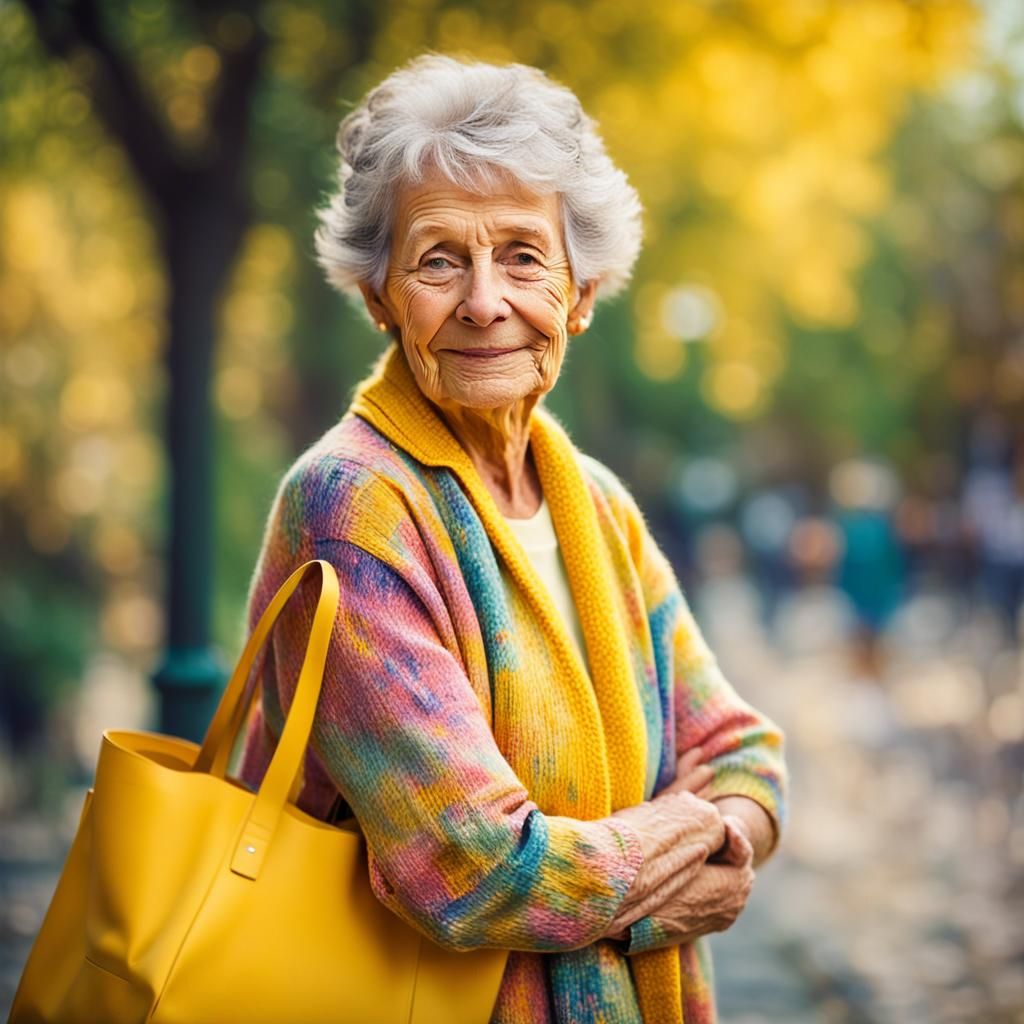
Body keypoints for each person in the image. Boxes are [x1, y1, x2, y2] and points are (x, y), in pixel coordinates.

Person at [237, 54, 787, 1024]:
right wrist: (691, 854)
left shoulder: (594, 504)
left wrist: (722, 826)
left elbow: (739, 747)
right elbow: (473, 867)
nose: (485, 301)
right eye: (440, 258)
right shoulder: (352, 506)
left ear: (580, 289)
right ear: (378, 294)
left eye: (523, 255)